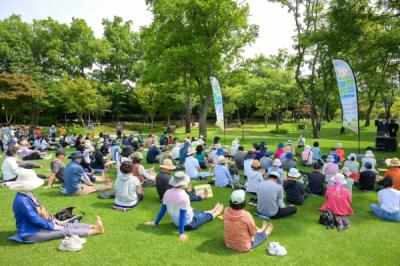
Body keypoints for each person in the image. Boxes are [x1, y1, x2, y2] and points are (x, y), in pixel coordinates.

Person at [9, 168, 104, 243]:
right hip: (30, 233)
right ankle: (95, 231)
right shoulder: (22, 200)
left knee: (64, 225)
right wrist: (52, 226)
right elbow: (34, 219)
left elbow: (41, 209)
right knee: (62, 231)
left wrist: (53, 220)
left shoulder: (28, 194)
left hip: (37, 227)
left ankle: (92, 226)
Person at [145, 172, 224, 242]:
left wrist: (155, 222)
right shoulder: (183, 196)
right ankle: (216, 213)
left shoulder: (167, 192)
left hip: (180, 220)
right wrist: (181, 233)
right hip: (189, 223)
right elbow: (182, 215)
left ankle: (212, 210)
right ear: (183, 184)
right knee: (205, 217)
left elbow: (163, 208)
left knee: (197, 212)